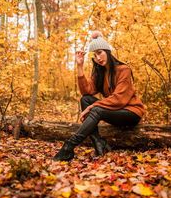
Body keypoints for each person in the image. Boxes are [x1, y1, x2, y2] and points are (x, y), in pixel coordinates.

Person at [53, 31, 145, 161]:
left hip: (131, 112)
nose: (98, 58)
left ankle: (69, 146)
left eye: (100, 52)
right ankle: (98, 142)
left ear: (107, 51)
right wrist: (80, 66)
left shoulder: (124, 69)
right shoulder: (100, 72)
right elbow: (87, 91)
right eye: (95, 55)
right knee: (85, 100)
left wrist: (92, 107)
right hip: (116, 110)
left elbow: (119, 99)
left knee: (95, 108)